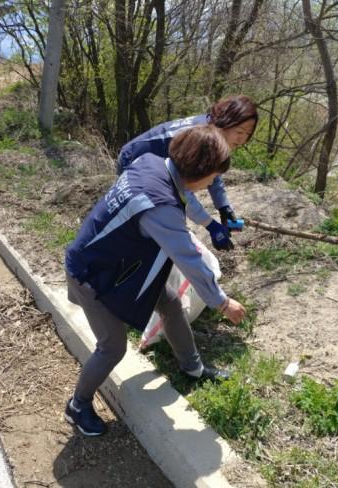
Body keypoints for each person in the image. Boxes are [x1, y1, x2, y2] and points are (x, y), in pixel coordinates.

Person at [64, 125, 247, 436]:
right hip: (94, 274)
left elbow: (185, 196)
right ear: (200, 170)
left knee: (171, 303)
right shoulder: (160, 207)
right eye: (214, 175)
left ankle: (193, 368)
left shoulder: (152, 163)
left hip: (124, 265)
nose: (215, 181)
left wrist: (210, 223)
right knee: (113, 346)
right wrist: (222, 303)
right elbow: (189, 259)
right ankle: (77, 405)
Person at [117, 95, 258, 252]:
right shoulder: (202, 139)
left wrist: (223, 206)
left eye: (248, 133)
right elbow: (182, 190)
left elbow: (213, 172)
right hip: (134, 159)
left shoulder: (213, 130)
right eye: (240, 131)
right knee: (153, 218)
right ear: (226, 121)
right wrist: (210, 225)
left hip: (151, 162)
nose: (243, 139)